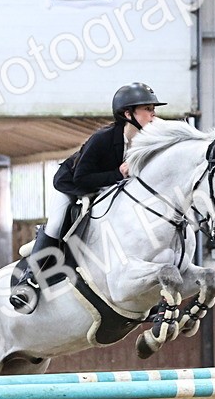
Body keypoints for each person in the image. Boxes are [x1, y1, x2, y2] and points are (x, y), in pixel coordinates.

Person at [9, 82, 165, 313]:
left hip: (108, 188)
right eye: (148, 109)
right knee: (56, 223)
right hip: (72, 184)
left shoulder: (146, 141)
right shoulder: (102, 139)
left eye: (153, 109)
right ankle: (29, 280)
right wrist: (118, 173)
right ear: (127, 113)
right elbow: (82, 178)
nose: (153, 114)